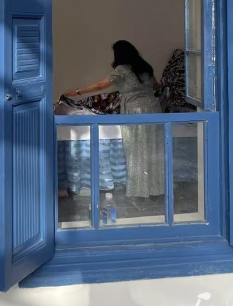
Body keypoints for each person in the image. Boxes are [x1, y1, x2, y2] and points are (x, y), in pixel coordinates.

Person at [65, 40, 165, 199]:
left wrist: (77, 91)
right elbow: (157, 86)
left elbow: (100, 85)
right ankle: (157, 189)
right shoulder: (145, 68)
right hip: (154, 109)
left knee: (136, 150)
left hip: (136, 111)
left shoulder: (122, 70)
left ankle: (140, 191)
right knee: (154, 149)